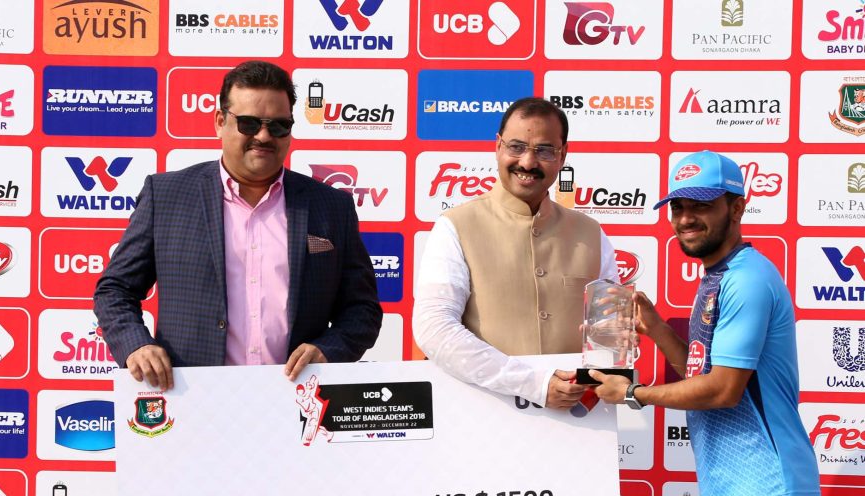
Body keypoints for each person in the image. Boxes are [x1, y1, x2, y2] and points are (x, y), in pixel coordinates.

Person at [591, 151, 821, 496]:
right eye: (678, 207)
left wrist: (634, 393)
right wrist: (657, 329)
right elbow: (703, 374)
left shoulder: (748, 278)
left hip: (770, 492)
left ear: (736, 208)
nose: (685, 218)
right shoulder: (716, 278)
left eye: (700, 205)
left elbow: (723, 390)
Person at [94, 61, 382, 391]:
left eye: (278, 126)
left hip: (299, 403)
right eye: (248, 123)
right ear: (220, 121)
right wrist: (136, 345)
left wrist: (328, 350)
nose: (263, 136)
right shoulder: (167, 196)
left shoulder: (331, 206)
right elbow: (115, 289)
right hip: (193, 401)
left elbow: (362, 310)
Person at [413, 96, 618, 409]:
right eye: (517, 147)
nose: (527, 163)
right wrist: (531, 384)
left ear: (563, 155)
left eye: (544, 150)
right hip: (482, 421)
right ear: (498, 147)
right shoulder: (456, 226)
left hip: (579, 427)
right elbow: (434, 328)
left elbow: (611, 336)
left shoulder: (591, 233)